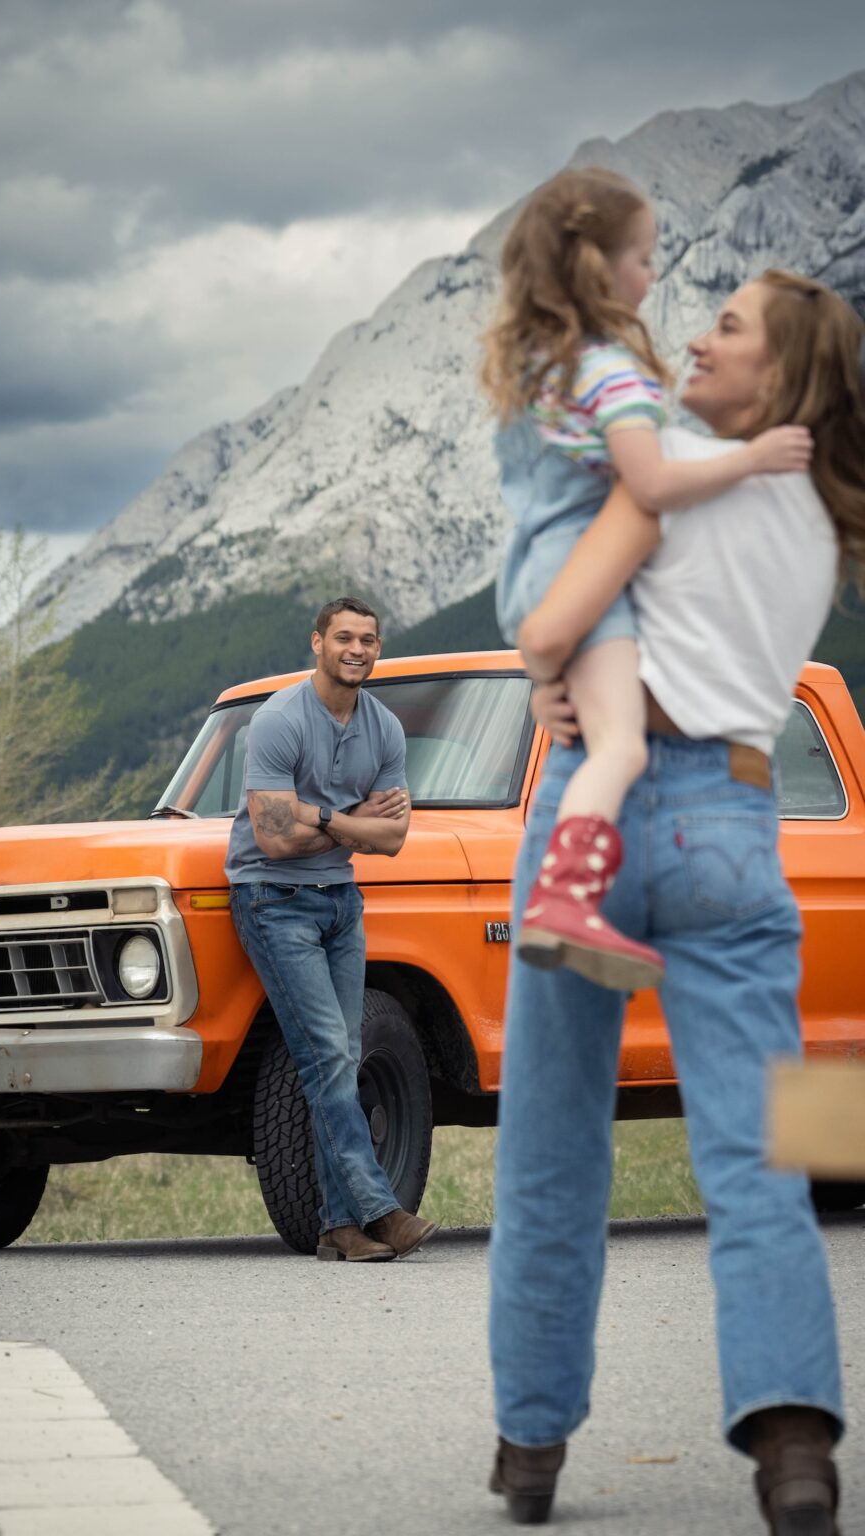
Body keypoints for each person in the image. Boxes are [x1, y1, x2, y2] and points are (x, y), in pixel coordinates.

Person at [488, 269, 865, 1534]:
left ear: (783, 371)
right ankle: (794, 1448)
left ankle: (531, 1445)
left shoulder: (666, 470)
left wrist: (548, 674)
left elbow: (552, 626)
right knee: (767, 1153)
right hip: (733, 820)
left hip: (591, 814)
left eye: (729, 327)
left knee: (551, 1150)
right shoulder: (819, 516)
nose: (697, 338)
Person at [481, 167, 812, 993]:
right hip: (581, 572)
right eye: (643, 256)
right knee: (621, 744)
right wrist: (752, 458)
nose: (654, 274)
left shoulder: (540, 373)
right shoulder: (613, 374)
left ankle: (565, 894)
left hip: (535, 570)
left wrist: (545, 677)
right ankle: (568, 896)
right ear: (598, 266)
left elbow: (544, 635)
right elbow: (652, 484)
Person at [226, 596, 437, 1263]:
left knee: (341, 1056)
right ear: (317, 642)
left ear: (378, 648)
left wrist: (318, 816)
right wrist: (351, 820)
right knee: (328, 1056)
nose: (356, 649)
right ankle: (381, 1210)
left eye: (368, 639)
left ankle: (337, 1229)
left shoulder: (384, 728)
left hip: (341, 903)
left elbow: (393, 838)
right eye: (343, 637)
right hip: (273, 900)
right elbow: (272, 838)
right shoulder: (279, 719)